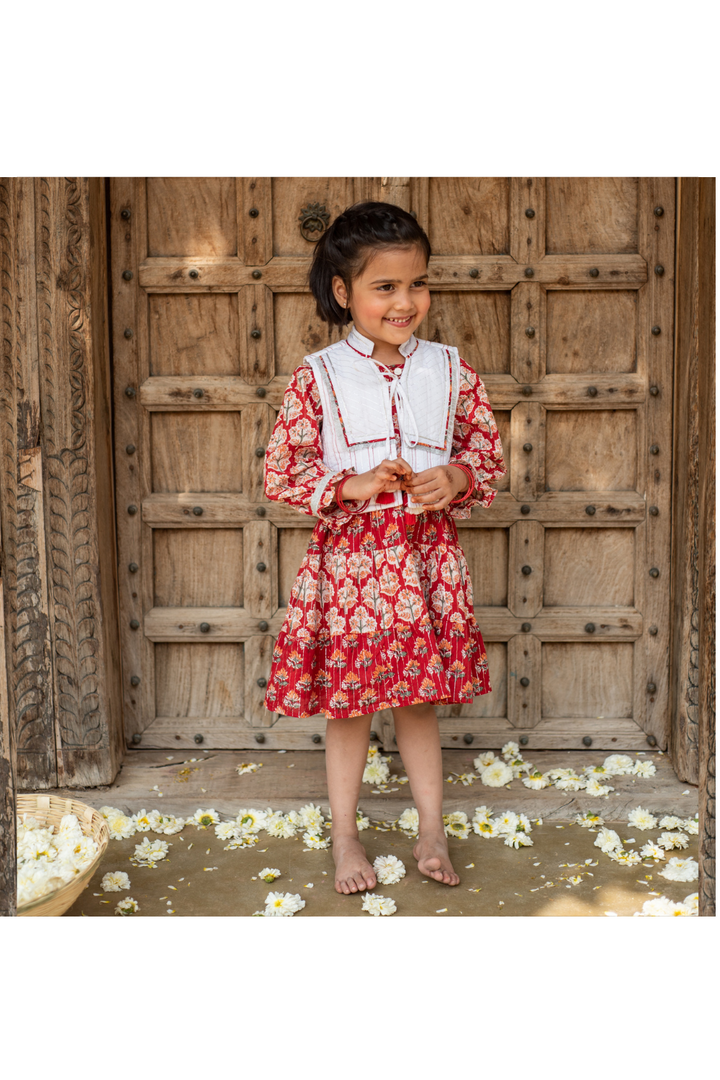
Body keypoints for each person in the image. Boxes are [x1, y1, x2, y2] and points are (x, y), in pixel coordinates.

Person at [263, 201, 507, 895]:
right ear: (343, 293)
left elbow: (484, 452)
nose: (405, 302)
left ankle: (432, 830)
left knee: (419, 701)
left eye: (417, 284)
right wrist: (353, 484)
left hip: (424, 558)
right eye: (385, 287)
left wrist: (456, 477)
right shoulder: (321, 376)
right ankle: (345, 837)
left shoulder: (450, 370)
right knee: (349, 706)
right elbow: (284, 472)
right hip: (353, 567)